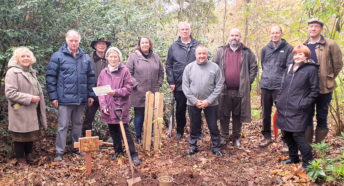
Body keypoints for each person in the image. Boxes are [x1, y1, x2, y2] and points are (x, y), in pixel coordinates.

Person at [46, 30, 95, 161]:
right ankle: (59, 152)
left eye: (76, 41)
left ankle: (76, 147)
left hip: (81, 99)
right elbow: (51, 77)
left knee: (78, 124)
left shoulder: (85, 57)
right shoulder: (58, 56)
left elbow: (90, 77)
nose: (74, 43)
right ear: (66, 40)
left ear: (79, 41)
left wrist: (91, 95)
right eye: (71, 41)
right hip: (64, 99)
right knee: (63, 126)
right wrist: (54, 97)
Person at [276, 44, 319, 171]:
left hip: (299, 108)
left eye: (300, 54)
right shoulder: (289, 67)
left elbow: (314, 91)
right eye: (295, 54)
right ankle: (293, 157)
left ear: (306, 56)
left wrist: (303, 103)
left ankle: (308, 162)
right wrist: (279, 100)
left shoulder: (311, 69)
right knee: (286, 134)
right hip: (284, 107)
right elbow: (283, 86)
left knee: (297, 135)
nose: (297, 56)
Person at [213, 28, 258, 147]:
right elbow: (213, 67)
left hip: (240, 90)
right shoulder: (221, 51)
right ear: (229, 37)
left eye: (236, 35)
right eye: (232, 35)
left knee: (238, 114)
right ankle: (224, 136)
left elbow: (254, 67)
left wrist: (248, 81)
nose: (234, 37)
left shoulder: (247, 52)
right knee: (224, 114)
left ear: (240, 37)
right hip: (224, 90)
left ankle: (236, 137)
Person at [97, 47, 140, 165]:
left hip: (121, 107)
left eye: (115, 56)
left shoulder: (124, 71)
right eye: (110, 56)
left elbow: (129, 88)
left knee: (124, 131)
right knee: (113, 130)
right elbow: (100, 92)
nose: (113, 59)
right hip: (108, 107)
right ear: (107, 58)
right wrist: (103, 106)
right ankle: (118, 150)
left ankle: (133, 154)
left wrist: (115, 92)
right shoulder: (103, 73)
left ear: (119, 58)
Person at [5, 47, 47, 166]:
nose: (26, 58)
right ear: (17, 58)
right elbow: (10, 93)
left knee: (30, 134)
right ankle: (21, 160)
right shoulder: (12, 72)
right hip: (20, 109)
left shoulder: (30, 71)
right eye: (23, 56)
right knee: (20, 136)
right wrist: (30, 98)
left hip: (31, 109)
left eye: (28, 56)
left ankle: (29, 157)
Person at [304, 18, 343, 143]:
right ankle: (307, 146)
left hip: (324, 87)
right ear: (308, 29)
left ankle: (319, 145)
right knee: (307, 116)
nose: (313, 28)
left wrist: (329, 77)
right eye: (311, 26)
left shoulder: (330, 44)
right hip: (307, 89)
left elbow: (338, 64)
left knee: (322, 116)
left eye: (316, 26)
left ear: (321, 29)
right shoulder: (304, 45)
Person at [182, 45, 223, 156]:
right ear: (195, 54)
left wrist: (208, 101)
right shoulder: (189, 68)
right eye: (199, 54)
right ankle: (193, 146)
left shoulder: (215, 67)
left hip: (211, 103)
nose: (201, 56)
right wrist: (194, 101)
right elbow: (185, 87)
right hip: (193, 103)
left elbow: (219, 86)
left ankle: (216, 147)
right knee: (194, 125)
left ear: (207, 54)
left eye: (203, 54)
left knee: (213, 126)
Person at [259, 26, 293, 147]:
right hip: (266, 85)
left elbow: (290, 67)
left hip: (280, 87)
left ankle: (286, 140)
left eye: (277, 33)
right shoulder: (265, 49)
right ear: (270, 34)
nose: (274, 35)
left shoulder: (289, 49)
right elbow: (263, 65)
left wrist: (283, 83)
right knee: (265, 113)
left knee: (283, 113)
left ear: (281, 34)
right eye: (272, 33)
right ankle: (266, 136)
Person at [126, 36, 164, 144]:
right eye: (142, 43)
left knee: (152, 115)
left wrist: (159, 83)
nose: (145, 45)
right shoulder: (133, 57)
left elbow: (161, 71)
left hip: (153, 92)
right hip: (138, 92)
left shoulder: (155, 57)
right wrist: (136, 84)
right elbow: (128, 72)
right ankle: (139, 136)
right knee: (139, 115)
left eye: (146, 43)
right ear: (139, 45)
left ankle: (150, 136)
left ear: (150, 44)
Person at [166, 22, 200, 140]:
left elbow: (204, 62)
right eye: (182, 29)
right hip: (179, 84)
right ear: (179, 31)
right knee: (180, 109)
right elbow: (169, 65)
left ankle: (197, 132)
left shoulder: (197, 45)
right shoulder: (173, 47)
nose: (185, 31)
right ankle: (180, 131)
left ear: (190, 30)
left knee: (196, 108)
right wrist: (171, 81)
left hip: (195, 83)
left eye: (186, 29)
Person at [82, 38, 111, 136]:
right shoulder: (87, 59)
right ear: (95, 46)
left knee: (111, 118)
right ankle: (86, 141)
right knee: (88, 119)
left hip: (107, 94)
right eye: (99, 44)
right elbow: (84, 77)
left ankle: (113, 140)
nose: (102, 46)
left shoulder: (110, 59)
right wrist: (88, 94)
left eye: (104, 44)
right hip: (92, 94)